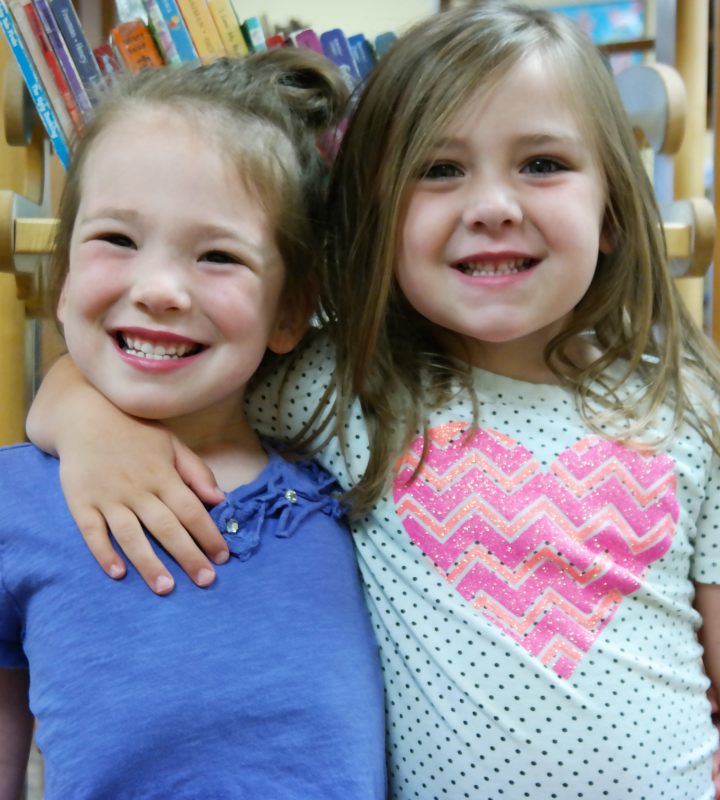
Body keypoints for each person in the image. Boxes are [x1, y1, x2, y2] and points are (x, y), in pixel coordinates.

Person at [24, 2, 720, 797]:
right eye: (440, 168)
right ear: (380, 215)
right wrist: (86, 423)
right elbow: (160, 368)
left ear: (614, 214)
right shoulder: (345, 387)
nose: (493, 204)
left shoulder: (693, 407)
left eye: (542, 164)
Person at [0, 51, 386, 800]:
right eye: (115, 240)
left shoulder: (347, 468)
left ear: (290, 310)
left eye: (217, 255)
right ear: (64, 270)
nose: (160, 289)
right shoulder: (14, 499)